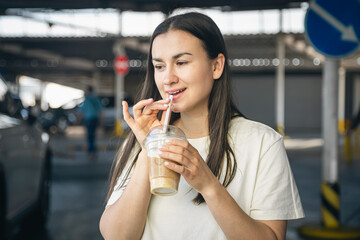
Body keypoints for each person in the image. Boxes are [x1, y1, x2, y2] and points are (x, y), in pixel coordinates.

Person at [100, 12, 304, 240]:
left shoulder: (262, 143)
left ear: (216, 66)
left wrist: (208, 185)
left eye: (181, 62)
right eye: (159, 66)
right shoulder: (142, 140)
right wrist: (151, 147)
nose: (168, 79)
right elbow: (116, 236)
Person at [78, 85, 103, 159]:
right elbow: (101, 111)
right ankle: (93, 151)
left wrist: (78, 120)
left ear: (88, 91)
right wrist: (102, 121)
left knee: (89, 136)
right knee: (93, 136)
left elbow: (81, 112)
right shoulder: (96, 99)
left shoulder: (87, 100)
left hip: (88, 120)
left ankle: (91, 152)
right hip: (95, 119)